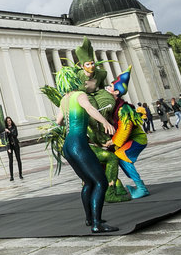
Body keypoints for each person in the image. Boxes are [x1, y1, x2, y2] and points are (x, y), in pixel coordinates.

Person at [54, 65, 118, 233]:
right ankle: (97, 224)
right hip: (78, 143)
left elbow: (58, 121)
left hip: (68, 146)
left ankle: (90, 218)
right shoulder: (79, 95)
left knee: (88, 182)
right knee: (100, 182)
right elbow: (90, 109)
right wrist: (104, 122)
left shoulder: (64, 99)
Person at [105, 67, 149, 198]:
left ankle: (141, 188)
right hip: (126, 141)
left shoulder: (123, 108)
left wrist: (113, 141)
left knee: (122, 156)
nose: (107, 87)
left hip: (137, 140)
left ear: (117, 91)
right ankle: (124, 186)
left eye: (110, 86)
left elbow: (125, 129)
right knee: (118, 158)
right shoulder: (113, 106)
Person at [3, 116, 23, 181]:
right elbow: (5, 139)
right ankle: (11, 176)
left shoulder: (14, 127)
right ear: (6, 122)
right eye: (7, 121)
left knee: (18, 159)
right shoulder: (5, 129)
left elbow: (15, 135)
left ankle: (20, 174)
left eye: (10, 120)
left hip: (15, 144)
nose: (9, 122)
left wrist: (9, 131)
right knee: (10, 161)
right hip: (9, 146)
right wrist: (8, 148)